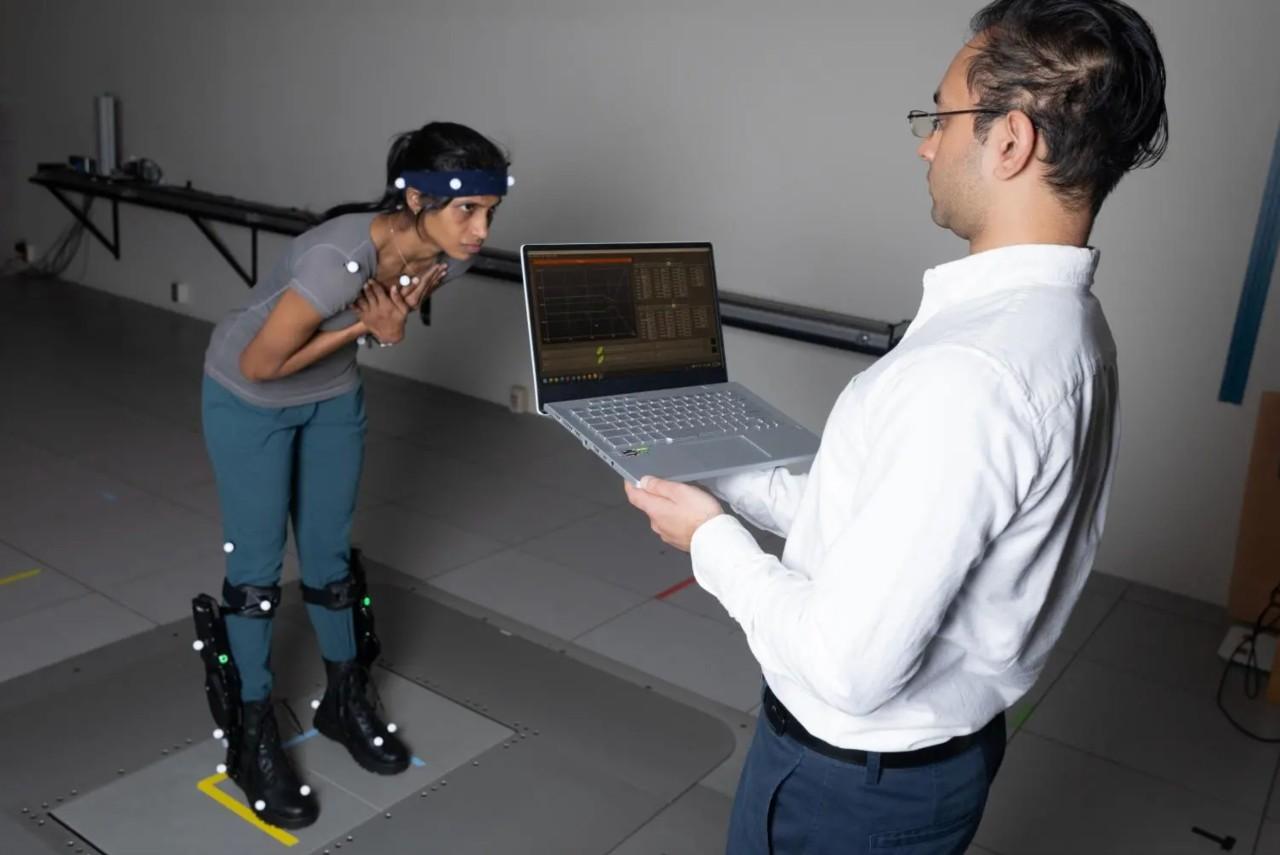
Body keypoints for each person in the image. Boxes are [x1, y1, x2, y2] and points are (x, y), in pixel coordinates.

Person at [624, 1, 1168, 852]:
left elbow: (848, 668)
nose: (926, 143)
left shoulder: (969, 375)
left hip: (847, 791)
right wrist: (721, 472)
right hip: (931, 764)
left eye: (940, 116)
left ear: (1011, 141)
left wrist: (711, 541)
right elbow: (888, 531)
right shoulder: (1064, 329)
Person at [199, 121, 512, 829]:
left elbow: (394, 305)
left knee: (330, 553)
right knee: (254, 571)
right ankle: (252, 734)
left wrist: (379, 326)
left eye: (491, 211)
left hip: (331, 395)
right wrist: (370, 331)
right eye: (467, 209)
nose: (481, 229)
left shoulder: (448, 255)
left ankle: (344, 698)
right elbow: (262, 363)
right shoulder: (337, 258)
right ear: (415, 197)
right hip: (250, 398)